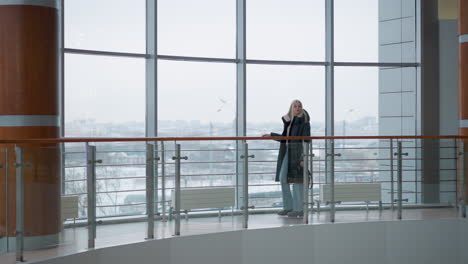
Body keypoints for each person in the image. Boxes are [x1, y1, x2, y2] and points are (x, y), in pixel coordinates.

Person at [263, 99, 311, 217]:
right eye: (295, 106)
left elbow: (306, 141)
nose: (298, 108)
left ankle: (298, 209)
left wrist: (302, 158)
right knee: (283, 178)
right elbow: (285, 138)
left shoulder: (304, 122)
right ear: (291, 108)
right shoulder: (290, 122)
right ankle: (288, 207)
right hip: (288, 153)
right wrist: (271, 136)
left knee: (297, 182)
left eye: (299, 106)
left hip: (298, 154)